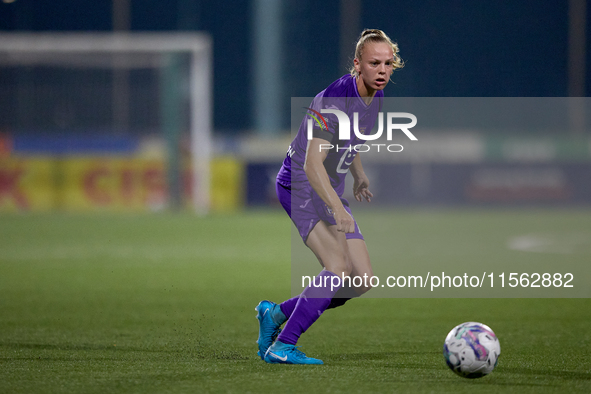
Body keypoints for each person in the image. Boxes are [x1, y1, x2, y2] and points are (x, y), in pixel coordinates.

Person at [256, 29, 404, 365]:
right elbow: (311, 164)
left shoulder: (375, 96)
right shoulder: (334, 100)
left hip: (328, 189)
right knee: (337, 268)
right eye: (374, 63)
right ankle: (283, 346)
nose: (382, 70)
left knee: (361, 280)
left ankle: (276, 314)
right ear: (357, 64)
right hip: (301, 186)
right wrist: (338, 209)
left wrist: (359, 174)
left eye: (387, 63)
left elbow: (350, 140)